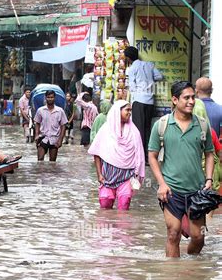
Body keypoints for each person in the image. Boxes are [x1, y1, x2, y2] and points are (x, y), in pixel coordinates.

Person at [148, 81, 214, 258]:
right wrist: (161, 184)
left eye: (193, 97)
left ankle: (191, 266)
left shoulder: (202, 125)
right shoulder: (161, 125)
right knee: (173, 234)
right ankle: (173, 278)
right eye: (186, 98)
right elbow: (152, 156)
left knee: (198, 236)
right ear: (175, 100)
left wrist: (209, 179)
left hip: (197, 192)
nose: (191, 101)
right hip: (171, 191)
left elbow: (209, 154)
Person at [88, 100, 145, 210]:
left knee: (124, 205)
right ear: (117, 112)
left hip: (127, 175)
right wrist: (99, 175)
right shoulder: (106, 130)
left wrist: (136, 174)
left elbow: (139, 155)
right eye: (127, 110)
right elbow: (96, 153)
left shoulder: (134, 132)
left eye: (130, 110)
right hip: (108, 176)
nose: (129, 113)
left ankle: (121, 227)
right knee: (105, 204)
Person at [124, 46, 163, 162]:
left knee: (138, 129)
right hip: (150, 101)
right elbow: (160, 76)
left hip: (139, 101)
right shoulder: (149, 65)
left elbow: (132, 86)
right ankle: (147, 157)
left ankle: (140, 157)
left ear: (128, 58)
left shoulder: (132, 68)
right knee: (147, 129)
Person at [34, 90, 68, 161]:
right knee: (40, 160)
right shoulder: (40, 110)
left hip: (54, 139)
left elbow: (63, 126)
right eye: (48, 97)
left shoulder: (60, 111)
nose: (50, 99)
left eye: (52, 97)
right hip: (43, 138)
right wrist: (36, 135)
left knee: (52, 162)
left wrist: (60, 140)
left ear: (54, 98)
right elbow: (37, 123)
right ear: (45, 98)